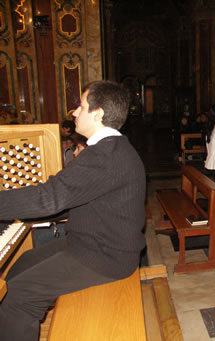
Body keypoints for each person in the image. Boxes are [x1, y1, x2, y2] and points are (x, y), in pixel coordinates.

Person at [0, 80, 146, 341]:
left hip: (106, 257)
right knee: (19, 266)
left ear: (98, 113)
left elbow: (50, 198)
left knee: (21, 295)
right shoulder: (109, 149)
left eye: (80, 106)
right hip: (87, 243)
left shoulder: (104, 156)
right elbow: (68, 197)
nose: (74, 112)